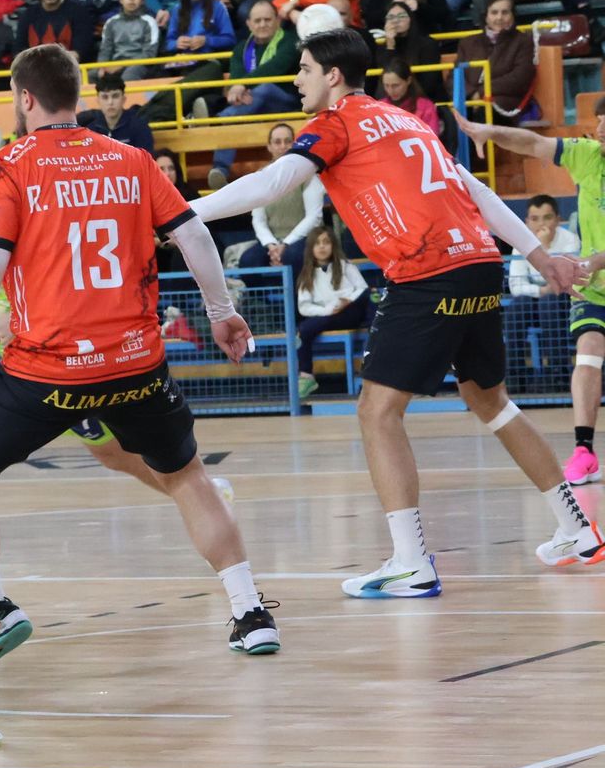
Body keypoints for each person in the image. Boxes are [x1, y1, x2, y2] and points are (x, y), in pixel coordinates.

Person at [196, 30, 600, 597]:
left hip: (427, 271)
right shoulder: (410, 122)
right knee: (491, 400)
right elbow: (478, 194)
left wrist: (184, 211)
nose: (297, 79)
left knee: (377, 412)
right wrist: (540, 257)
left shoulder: (338, 123)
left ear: (333, 76)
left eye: (305, 69)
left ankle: (411, 562)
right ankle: (575, 528)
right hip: (480, 262)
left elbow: (273, 182)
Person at [0, 44, 279, 681]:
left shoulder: (7, 168)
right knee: (187, 477)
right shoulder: (133, 159)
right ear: (78, 93)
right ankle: (250, 613)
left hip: (45, 369)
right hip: (135, 363)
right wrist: (221, 310)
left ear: (24, 99)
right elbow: (193, 233)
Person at [456, 111, 605, 488]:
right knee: (588, 354)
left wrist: (596, 259)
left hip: (594, 266)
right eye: (599, 120)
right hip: (595, 286)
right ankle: (584, 452)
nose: (601, 128)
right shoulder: (587, 154)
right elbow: (533, 143)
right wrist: (489, 132)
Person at [207, 0, 300, 186]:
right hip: (251, 105)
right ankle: (219, 170)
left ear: (277, 21)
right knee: (255, 94)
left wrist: (243, 85)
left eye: (267, 19)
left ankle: (220, 118)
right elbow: (236, 79)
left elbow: (275, 68)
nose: (262, 24)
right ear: (248, 24)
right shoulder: (242, 47)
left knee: (265, 89)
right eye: (257, 21)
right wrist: (240, 88)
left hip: (286, 103)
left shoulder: (289, 40)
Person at [505, 195, 578, 395]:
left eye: (547, 217)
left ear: (557, 219)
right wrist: (541, 290)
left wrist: (543, 249)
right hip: (536, 302)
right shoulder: (520, 243)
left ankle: (557, 376)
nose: (541, 224)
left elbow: (565, 282)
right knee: (517, 306)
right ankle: (515, 378)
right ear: (527, 222)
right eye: (535, 219)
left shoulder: (570, 241)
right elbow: (516, 286)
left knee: (550, 302)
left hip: (563, 304)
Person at [292, 227, 368, 398]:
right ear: (311, 248)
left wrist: (347, 301)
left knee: (369, 299)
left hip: (350, 311)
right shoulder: (306, 275)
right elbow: (304, 306)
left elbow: (362, 289)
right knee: (303, 330)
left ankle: (371, 365)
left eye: (326, 242)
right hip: (328, 315)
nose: (322, 247)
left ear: (333, 245)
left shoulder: (345, 265)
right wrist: (326, 310)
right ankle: (306, 375)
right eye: (317, 243)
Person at [238, 122, 325, 271]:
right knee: (248, 260)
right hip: (273, 241)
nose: (283, 146)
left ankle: (298, 295)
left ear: (295, 143)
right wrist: (271, 245)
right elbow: (258, 220)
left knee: (293, 257)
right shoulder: (261, 175)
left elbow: (314, 217)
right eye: (277, 142)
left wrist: (286, 244)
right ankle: (264, 295)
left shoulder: (308, 173)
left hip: (306, 239)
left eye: (288, 141)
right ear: (269, 147)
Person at [456, 0, 538, 124]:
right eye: (494, 12)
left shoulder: (523, 41)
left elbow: (520, 78)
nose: (499, 17)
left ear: (513, 15)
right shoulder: (468, 43)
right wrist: (471, 95)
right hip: (468, 101)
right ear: (486, 17)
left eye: (505, 12)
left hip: (505, 103)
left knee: (484, 111)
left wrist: (482, 92)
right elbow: (454, 77)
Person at [14, 0, 95, 59]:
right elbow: (18, 51)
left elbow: (81, 51)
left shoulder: (79, 12)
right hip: (35, 71)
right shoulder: (28, 15)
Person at [373, 0, 445, 103]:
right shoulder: (383, 47)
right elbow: (386, 79)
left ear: (411, 19)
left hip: (424, 101)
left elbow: (429, 83)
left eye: (401, 16)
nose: (396, 21)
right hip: (393, 102)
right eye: (391, 17)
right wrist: (390, 46)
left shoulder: (428, 44)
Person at [98, 0, 162, 82]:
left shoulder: (149, 22)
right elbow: (105, 50)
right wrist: (102, 67)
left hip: (140, 65)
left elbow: (149, 54)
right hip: (114, 64)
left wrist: (122, 65)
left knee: (129, 75)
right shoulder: (111, 22)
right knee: (89, 76)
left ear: (142, 0)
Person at [165, 0, 232, 60]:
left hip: (209, 59)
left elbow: (230, 40)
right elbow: (168, 43)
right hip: (183, 60)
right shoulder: (177, 9)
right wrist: (176, 43)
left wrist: (206, 41)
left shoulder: (218, 6)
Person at [76, 72, 154, 153]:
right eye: (105, 97)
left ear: (123, 99)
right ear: (98, 101)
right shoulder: (90, 129)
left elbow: (145, 160)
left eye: (115, 96)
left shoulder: (139, 126)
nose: (110, 102)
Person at [378, 56, 440, 135]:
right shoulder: (380, 106)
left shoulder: (426, 107)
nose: (390, 91)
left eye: (396, 85)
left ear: (408, 80)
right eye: (386, 85)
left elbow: (432, 137)